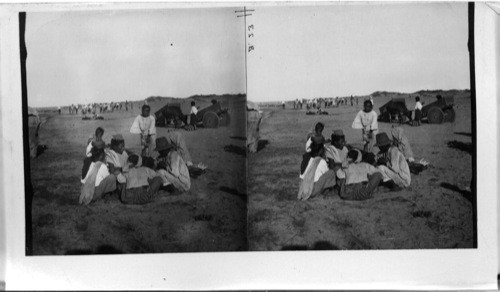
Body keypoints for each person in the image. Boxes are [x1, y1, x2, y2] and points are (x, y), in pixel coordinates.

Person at [298, 136, 336, 201]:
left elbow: (302, 175)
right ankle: (324, 192)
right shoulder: (321, 161)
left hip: (303, 187)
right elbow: (325, 173)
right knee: (331, 173)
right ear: (321, 150)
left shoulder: (306, 158)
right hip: (312, 189)